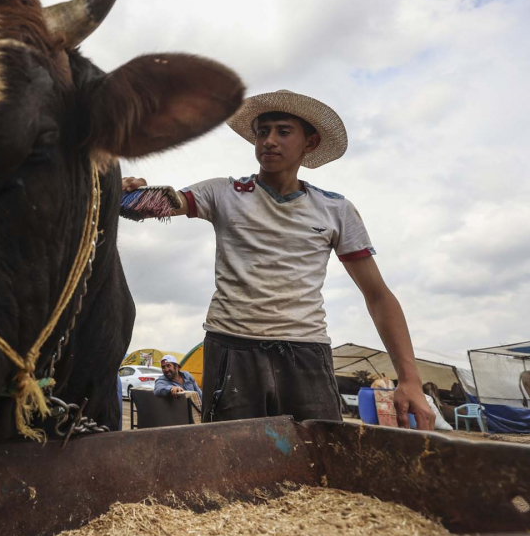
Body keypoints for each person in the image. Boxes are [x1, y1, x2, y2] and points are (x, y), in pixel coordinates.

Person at [123, 89, 433, 430]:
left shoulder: (335, 210)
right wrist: (126, 193)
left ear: (310, 144)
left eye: (283, 131)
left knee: (318, 456)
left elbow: (377, 295)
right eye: (262, 132)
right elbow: (163, 203)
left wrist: (410, 379)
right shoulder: (224, 193)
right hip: (232, 348)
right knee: (232, 457)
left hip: (306, 352)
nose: (269, 141)